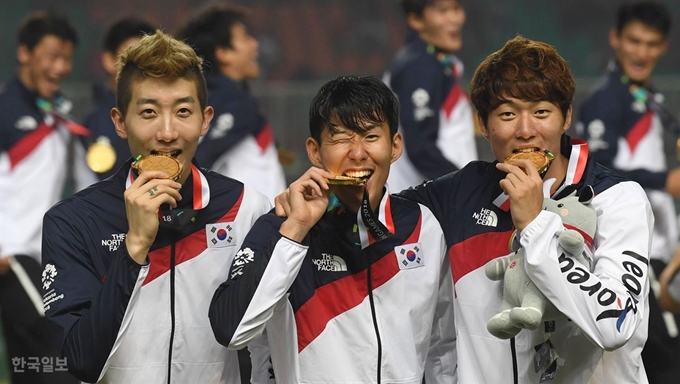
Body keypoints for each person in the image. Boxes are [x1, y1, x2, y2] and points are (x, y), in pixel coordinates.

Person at [327, 37, 649, 383]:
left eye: (541, 112)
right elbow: (370, 219)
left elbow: (617, 324)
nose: (526, 131)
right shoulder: (454, 197)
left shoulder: (617, 198)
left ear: (566, 116)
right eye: (507, 115)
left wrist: (536, 226)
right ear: (482, 124)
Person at [41, 30, 271, 383]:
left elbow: (266, 343)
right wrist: (134, 248)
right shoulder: (72, 221)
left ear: (205, 119)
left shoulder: (246, 207)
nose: (166, 132)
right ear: (120, 121)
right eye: (148, 112)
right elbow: (81, 360)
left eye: (182, 111)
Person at [209, 75, 456, 383]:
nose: (357, 153)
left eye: (370, 136)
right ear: (315, 151)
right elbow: (232, 331)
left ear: (395, 147)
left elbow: (443, 345)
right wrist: (296, 229)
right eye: (340, 138)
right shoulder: (280, 226)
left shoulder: (423, 226)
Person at [576, 2, 680, 382]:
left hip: (659, 247)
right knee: (666, 357)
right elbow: (595, 167)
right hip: (633, 249)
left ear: (663, 46)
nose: (642, 52)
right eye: (634, 41)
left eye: (652, 44)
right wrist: (663, 180)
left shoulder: (643, 96)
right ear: (615, 40)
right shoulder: (607, 98)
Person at [0, 11, 91, 384]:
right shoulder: (4, 110)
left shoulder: (61, 112)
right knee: (61, 356)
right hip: (12, 256)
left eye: (67, 58)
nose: (60, 67)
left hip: (42, 255)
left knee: (28, 365)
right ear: (24, 53)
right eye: (52, 56)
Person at [177, 3, 287, 203]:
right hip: (246, 229)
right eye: (245, 37)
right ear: (223, 53)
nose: (255, 44)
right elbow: (198, 157)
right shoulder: (232, 101)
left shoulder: (209, 97)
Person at [384, 0, 477, 192]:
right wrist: (468, 188)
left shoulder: (433, 60)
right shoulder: (419, 66)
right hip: (425, 207)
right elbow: (421, 148)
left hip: (435, 201)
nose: (455, 19)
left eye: (457, 8)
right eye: (443, 11)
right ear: (416, 20)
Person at [83, 17, 156, 180]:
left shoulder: (168, 117)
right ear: (109, 60)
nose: (142, 69)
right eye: (132, 59)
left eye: (149, 59)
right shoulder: (91, 122)